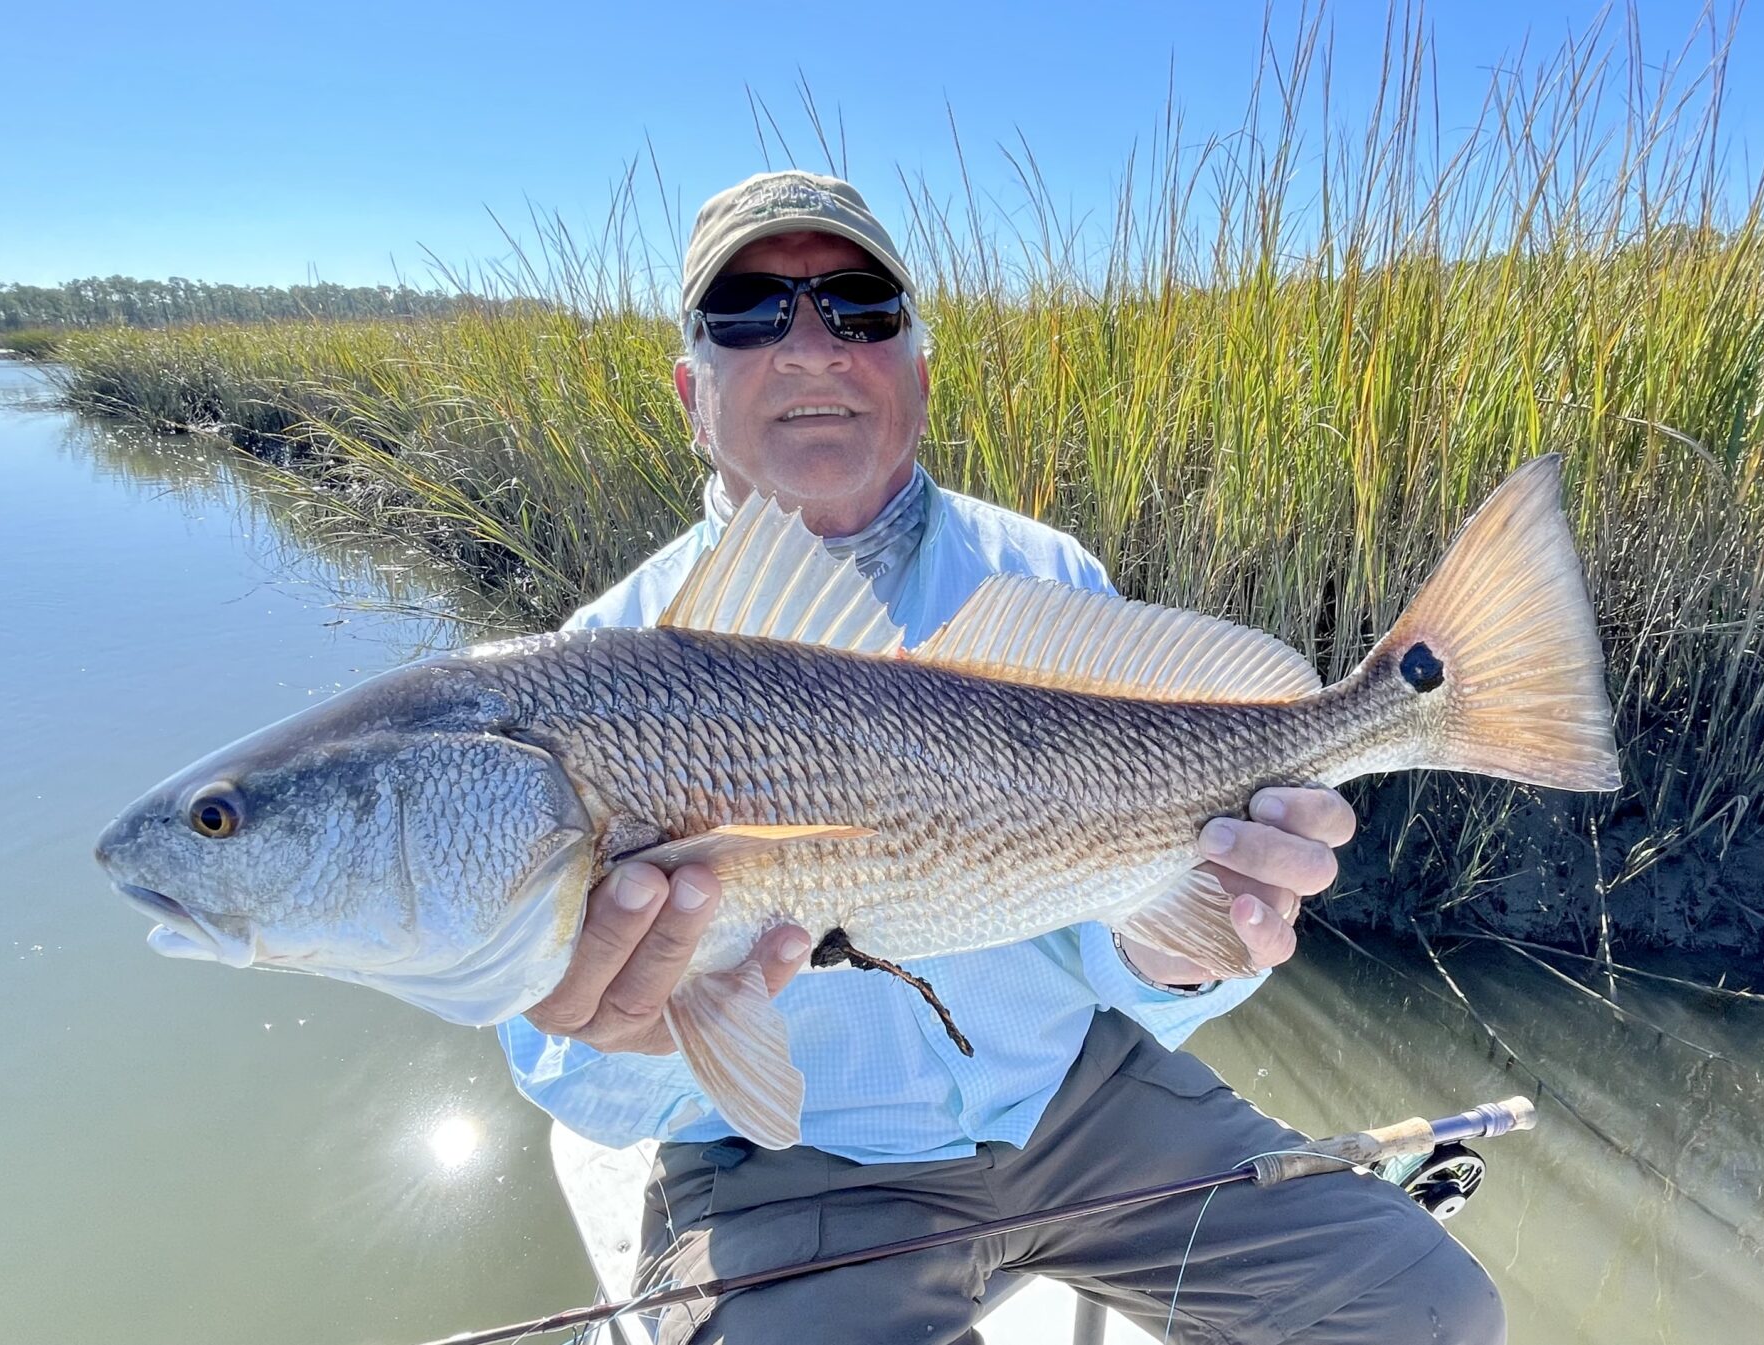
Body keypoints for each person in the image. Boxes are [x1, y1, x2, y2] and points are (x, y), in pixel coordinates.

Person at [498, 170, 1504, 1344]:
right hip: (797, 1162)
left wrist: (1179, 955)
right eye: (749, 313)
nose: (813, 347)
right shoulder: (591, 671)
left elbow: (1118, 930)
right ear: (690, 391)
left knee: (1427, 1308)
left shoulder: (1043, 572)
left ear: (916, 371)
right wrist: (635, 1027)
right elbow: (569, 1079)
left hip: (1078, 1102)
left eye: (861, 309)